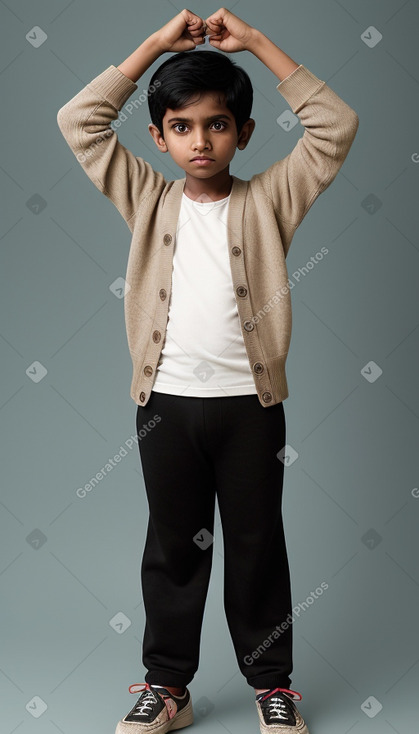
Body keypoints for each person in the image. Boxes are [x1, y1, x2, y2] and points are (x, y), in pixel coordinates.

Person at [57, 7, 359, 734]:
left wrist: (254, 43)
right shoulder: (146, 196)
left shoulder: (269, 199)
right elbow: (80, 121)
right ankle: (168, 687)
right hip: (164, 403)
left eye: (217, 124)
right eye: (183, 126)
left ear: (244, 133)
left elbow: (335, 126)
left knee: (256, 543)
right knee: (172, 544)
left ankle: (271, 685)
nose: (201, 140)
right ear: (158, 137)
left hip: (248, 406)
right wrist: (156, 46)